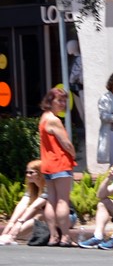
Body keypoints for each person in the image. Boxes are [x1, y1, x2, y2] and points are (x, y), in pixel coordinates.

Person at [39, 87, 77, 246]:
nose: (62, 104)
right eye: (59, 100)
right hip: (60, 163)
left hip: (47, 164)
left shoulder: (43, 118)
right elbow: (66, 144)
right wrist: (73, 154)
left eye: (64, 101)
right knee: (62, 201)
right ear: (50, 101)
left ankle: (53, 236)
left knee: (51, 200)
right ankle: (65, 237)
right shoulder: (54, 120)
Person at [0, 160, 53, 245]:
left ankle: (12, 236)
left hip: (65, 218)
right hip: (46, 217)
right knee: (28, 211)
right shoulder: (32, 188)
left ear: (40, 173)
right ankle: (6, 236)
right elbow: (22, 204)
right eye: (26, 172)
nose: (28, 175)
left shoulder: (48, 187)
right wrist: (11, 222)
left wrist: (19, 223)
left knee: (39, 214)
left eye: (31, 172)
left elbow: (34, 207)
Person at [67, 40, 84, 126]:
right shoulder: (74, 59)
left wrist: (70, 81)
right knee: (81, 112)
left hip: (80, 88)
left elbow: (75, 73)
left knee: (83, 111)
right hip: (75, 88)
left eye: (69, 46)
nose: (68, 49)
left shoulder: (79, 59)